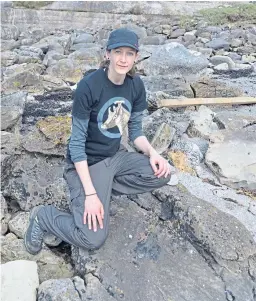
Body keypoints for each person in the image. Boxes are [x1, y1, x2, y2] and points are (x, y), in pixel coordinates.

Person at [24, 28, 173, 255]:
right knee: (92, 238)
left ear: (136, 57)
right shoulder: (89, 86)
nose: (123, 59)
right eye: (118, 52)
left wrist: (153, 152)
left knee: (163, 173)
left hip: (114, 157)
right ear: (107, 54)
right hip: (85, 163)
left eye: (129, 53)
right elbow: (76, 144)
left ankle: (103, 188)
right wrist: (92, 194)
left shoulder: (136, 85)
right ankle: (44, 217)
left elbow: (135, 132)